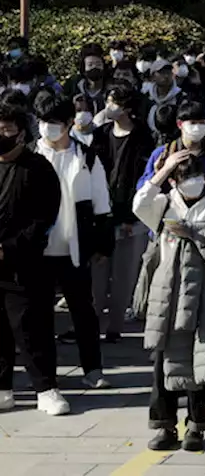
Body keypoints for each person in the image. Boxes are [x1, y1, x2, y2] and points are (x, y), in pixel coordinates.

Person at [133, 149, 205, 452]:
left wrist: (195, 234)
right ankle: (164, 426)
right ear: (173, 180)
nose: (190, 183)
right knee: (162, 363)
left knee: (201, 362)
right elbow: (140, 205)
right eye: (182, 178)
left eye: (194, 176)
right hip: (167, 291)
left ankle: (196, 426)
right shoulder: (166, 201)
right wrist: (160, 173)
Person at [32, 92, 112, 390]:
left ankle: (92, 368)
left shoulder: (87, 157)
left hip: (74, 248)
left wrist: (103, 244)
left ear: (68, 124)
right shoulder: (31, 155)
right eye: (42, 122)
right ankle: (44, 377)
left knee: (83, 312)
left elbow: (102, 202)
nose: (47, 128)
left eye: (53, 122)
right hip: (38, 250)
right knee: (39, 316)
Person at [0, 101, 69, 415]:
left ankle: (46, 388)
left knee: (32, 327)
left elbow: (44, 217)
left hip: (25, 263)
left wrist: (10, 247)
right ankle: (3, 388)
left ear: (20, 133)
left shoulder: (38, 168)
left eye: (7, 129)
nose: (2, 134)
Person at [90, 84, 155, 344]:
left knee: (124, 274)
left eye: (114, 102)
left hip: (130, 216)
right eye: (108, 100)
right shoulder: (101, 134)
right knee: (97, 274)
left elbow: (143, 177)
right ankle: (92, 324)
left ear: (127, 107)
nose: (109, 106)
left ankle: (115, 327)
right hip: (102, 214)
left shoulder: (143, 137)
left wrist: (131, 217)